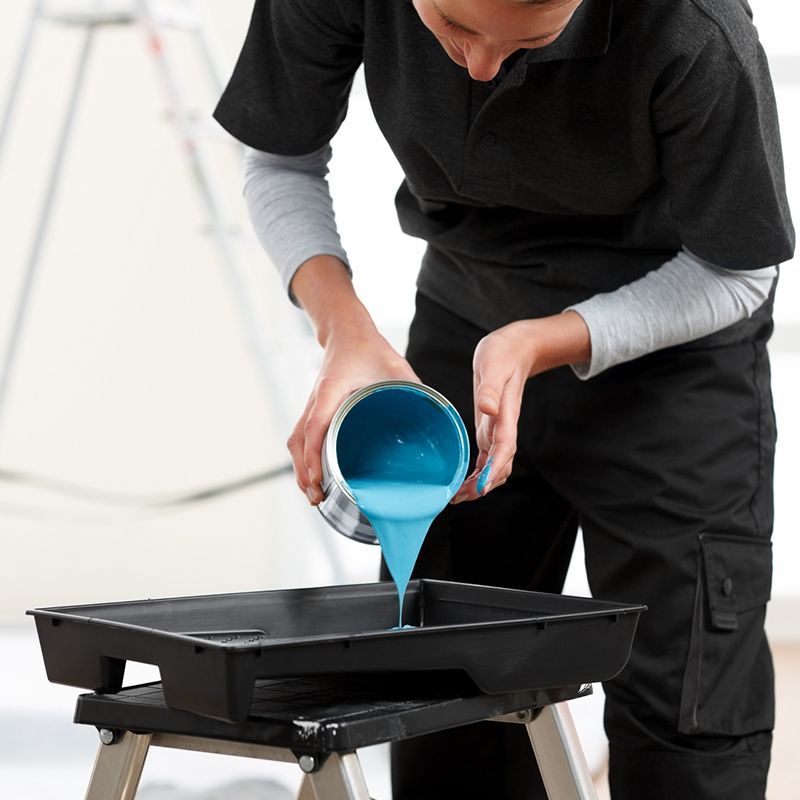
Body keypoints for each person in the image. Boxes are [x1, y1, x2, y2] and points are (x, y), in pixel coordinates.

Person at [214, 0, 794, 797]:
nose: (482, 68)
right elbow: (279, 159)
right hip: (466, 319)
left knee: (686, 718)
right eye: (452, 27)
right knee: (443, 702)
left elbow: (739, 269)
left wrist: (541, 340)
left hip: (672, 366)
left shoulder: (694, 30)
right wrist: (343, 327)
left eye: (531, 40)